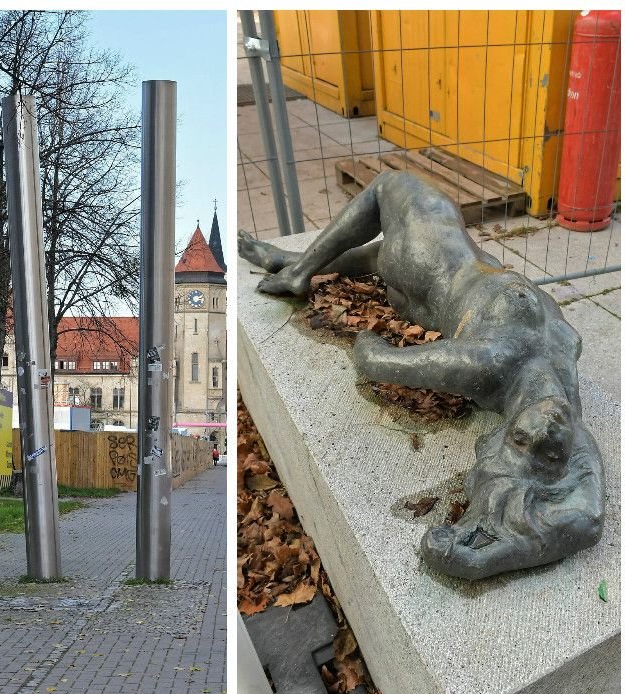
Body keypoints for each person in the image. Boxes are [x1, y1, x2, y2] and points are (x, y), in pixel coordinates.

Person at [240, 170, 603, 580]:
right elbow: (589, 518)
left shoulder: (485, 363)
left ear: (502, 435)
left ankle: (297, 271)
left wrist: (469, 554)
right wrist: (502, 545)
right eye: (550, 453)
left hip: (431, 268)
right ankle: (290, 261)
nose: (546, 430)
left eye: (521, 440)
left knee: (389, 186)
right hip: (444, 274)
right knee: (385, 256)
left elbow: (373, 360)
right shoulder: (564, 408)